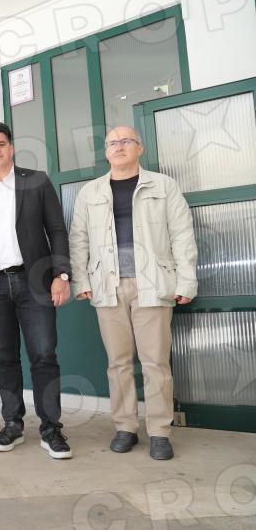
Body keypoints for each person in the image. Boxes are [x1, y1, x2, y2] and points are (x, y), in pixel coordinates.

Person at [69, 126, 197, 461]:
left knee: (156, 362)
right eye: (112, 143)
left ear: (139, 147)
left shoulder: (164, 186)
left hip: (153, 284)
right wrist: (81, 280)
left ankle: (159, 431)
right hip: (108, 285)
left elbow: (182, 235)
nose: (119, 147)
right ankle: (125, 427)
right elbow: (78, 239)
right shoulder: (90, 192)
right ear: (106, 152)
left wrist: (186, 282)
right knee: (118, 363)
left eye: (126, 141)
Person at [0, 122, 73, 459]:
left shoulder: (36, 181)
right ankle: (12, 423)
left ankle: (51, 428)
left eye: (0, 144)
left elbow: (57, 229)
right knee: (4, 357)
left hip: (34, 281)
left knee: (44, 355)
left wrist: (61, 275)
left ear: (11, 147)